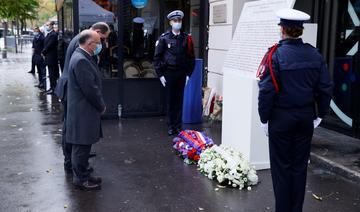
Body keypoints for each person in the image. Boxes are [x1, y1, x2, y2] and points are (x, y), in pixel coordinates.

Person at [257, 8, 333, 212]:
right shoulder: (314, 54)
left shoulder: (275, 54)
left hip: (281, 119)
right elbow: (326, 88)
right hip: (305, 118)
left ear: (282, 30)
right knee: (299, 168)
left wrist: (264, 119)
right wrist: (319, 115)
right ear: (300, 30)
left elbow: (266, 91)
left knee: (282, 169)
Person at [54, 22, 110, 175]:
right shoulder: (82, 48)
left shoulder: (81, 40)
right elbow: (84, 77)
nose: (102, 44)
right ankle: (72, 162)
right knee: (74, 129)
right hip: (72, 90)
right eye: (102, 40)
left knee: (73, 128)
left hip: (70, 87)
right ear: (97, 32)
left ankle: (75, 161)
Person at [66, 30, 106, 191]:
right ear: (90, 44)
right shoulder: (81, 60)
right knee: (81, 146)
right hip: (83, 110)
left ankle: (84, 174)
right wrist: (101, 105)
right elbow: (90, 89)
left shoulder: (81, 56)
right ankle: (81, 179)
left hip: (82, 109)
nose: (100, 45)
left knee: (84, 145)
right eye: (98, 43)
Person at [153, 10, 195, 136]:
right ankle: (171, 126)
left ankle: (178, 125)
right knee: (171, 100)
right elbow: (157, 57)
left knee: (179, 100)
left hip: (181, 73)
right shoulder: (164, 38)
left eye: (179, 21)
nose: (178, 23)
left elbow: (191, 57)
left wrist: (189, 74)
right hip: (169, 73)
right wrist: (160, 74)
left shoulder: (186, 38)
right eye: (175, 21)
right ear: (171, 22)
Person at [42, 21, 59, 95]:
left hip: (51, 57)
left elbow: (49, 45)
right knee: (51, 73)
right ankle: (52, 87)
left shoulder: (53, 34)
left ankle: (53, 88)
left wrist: (43, 52)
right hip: (49, 57)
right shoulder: (49, 34)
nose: (47, 26)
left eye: (48, 25)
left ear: (52, 26)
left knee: (52, 74)